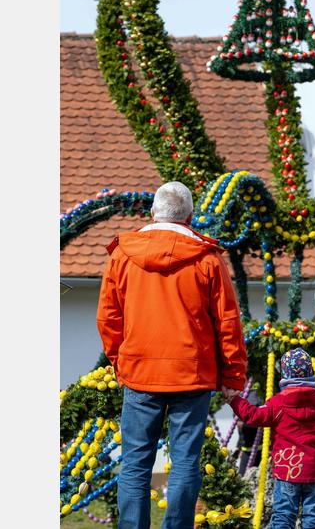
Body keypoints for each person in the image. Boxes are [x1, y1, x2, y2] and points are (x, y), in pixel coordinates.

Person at [97, 181, 247, 529]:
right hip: (192, 375)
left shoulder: (123, 255)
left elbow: (108, 317)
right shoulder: (208, 259)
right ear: (190, 217)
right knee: (185, 463)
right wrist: (233, 376)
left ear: (153, 212)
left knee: (135, 464)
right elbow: (228, 322)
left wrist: (121, 361)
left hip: (139, 372)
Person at [223, 348, 315, 529]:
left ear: (285, 373)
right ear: (310, 372)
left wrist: (234, 400)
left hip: (288, 470)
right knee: (313, 517)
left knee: (284, 516)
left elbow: (253, 416)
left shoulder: (277, 404)